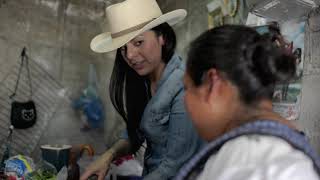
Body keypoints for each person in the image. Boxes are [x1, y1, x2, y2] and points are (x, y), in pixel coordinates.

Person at [175, 25, 320, 180]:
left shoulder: (248, 166)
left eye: (187, 88)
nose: (185, 99)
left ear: (212, 83)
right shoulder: (280, 155)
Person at [80, 0, 204, 179]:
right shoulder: (143, 81)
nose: (129, 55)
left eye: (138, 43)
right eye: (123, 48)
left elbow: (175, 166)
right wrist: (109, 155)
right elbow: (134, 133)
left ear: (162, 37)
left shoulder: (182, 85)